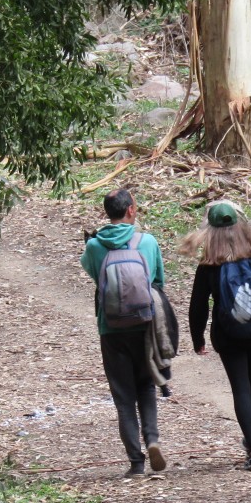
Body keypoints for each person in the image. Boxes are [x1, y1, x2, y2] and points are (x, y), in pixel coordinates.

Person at [185, 200, 251, 471]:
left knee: (240, 389)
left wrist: (197, 339)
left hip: (227, 334)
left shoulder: (208, 264)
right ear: (239, 226)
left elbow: (197, 307)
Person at [81, 188, 168, 477]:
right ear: (131, 209)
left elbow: (96, 277)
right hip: (145, 324)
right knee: (146, 385)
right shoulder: (148, 242)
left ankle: (136, 461)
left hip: (111, 327)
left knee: (123, 396)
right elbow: (157, 281)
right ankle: (153, 439)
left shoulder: (94, 246)